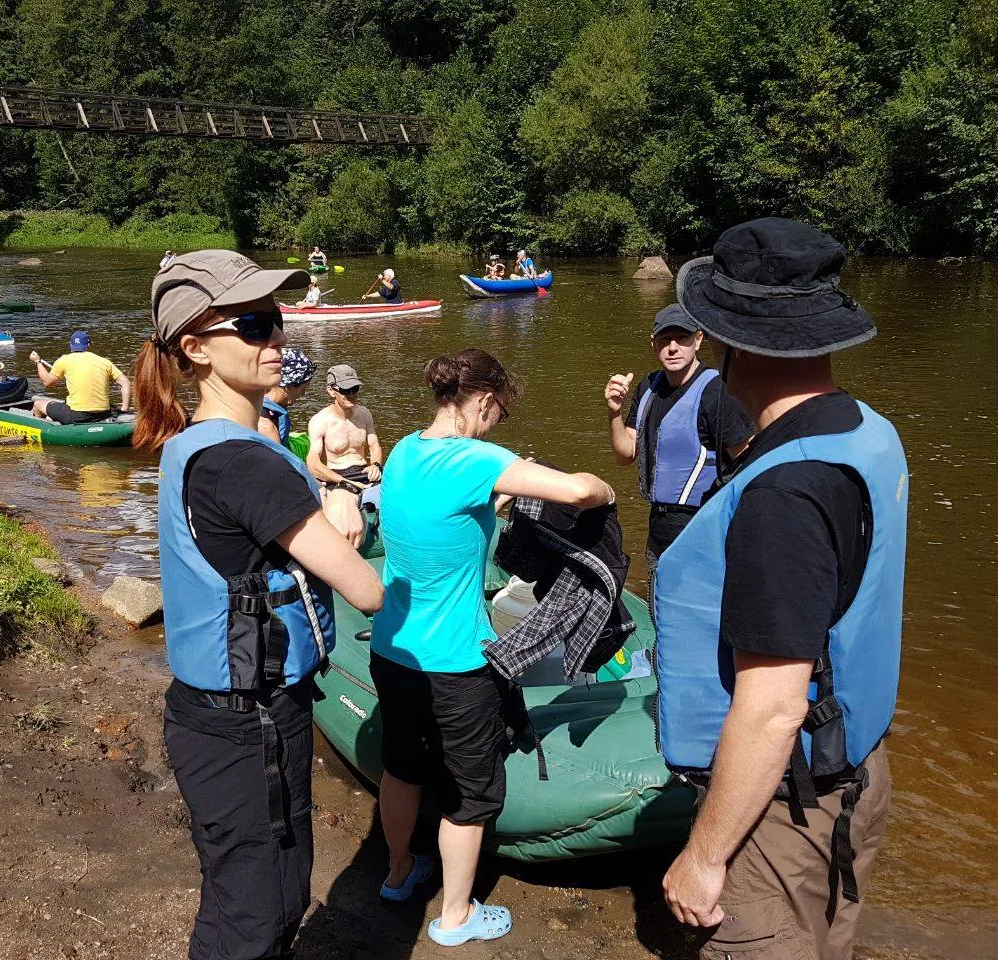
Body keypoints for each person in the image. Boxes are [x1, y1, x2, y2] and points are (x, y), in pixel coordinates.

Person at [655, 218, 908, 960]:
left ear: (731, 347)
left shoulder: (783, 494)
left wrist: (703, 858)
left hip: (782, 804)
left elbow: (772, 709)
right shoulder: (866, 429)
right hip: (857, 771)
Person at [133, 249, 384, 960]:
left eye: (276, 322)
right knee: (258, 912)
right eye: (253, 326)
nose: (277, 339)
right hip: (247, 725)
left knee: (256, 894)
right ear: (194, 348)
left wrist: (326, 494)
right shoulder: (240, 460)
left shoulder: (204, 444)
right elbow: (363, 588)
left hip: (226, 715)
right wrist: (343, 508)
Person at [371, 348, 615, 946]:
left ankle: (398, 874)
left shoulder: (404, 451)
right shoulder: (479, 458)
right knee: (473, 790)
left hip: (392, 648)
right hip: (456, 663)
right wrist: (607, 489)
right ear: (483, 401)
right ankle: (455, 918)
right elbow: (579, 491)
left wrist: (498, 495)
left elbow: (450, 512)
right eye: (498, 413)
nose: (497, 425)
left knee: (401, 767)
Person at [604, 304, 753, 575]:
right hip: (659, 524)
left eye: (681, 338)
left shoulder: (716, 392)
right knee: (660, 603)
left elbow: (750, 459)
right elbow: (625, 454)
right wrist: (614, 411)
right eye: (665, 339)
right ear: (654, 344)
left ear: (698, 340)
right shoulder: (647, 387)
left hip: (702, 524)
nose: (673, 348)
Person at [306, 364, 382, 546]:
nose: (352, 394)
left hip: (364, 472)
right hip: (337, 476)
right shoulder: (320, 421)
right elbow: (313, 463)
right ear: (331, 391)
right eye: (346, 390)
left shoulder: (364, 414)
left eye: (355, 389)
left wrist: (376, 466)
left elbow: (374, 445)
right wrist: (342, 481)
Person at [30, 330, 131, 423]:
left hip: (77, 415)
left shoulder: (64, 360)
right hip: (103, 413)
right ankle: (52, 419)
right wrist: (124, 408)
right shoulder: (104, 362)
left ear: (71, 345)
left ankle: (44, 431)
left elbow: (48, 383)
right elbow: (125, 383)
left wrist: (38, 362)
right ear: (88, 345)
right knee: (56, 409)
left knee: (37, 405)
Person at [258, 347, 316, 448]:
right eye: (303, 388)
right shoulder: (266, 426)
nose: (303, 394)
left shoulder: (256, 403)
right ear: (288, 386)